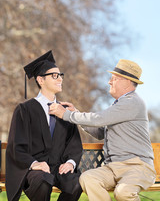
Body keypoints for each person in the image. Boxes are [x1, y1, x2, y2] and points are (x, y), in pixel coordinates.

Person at [49, 59, 156, 201]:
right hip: (113, 168)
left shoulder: (132, 102)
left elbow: (99, 119)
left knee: (123, 192)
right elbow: (100, 132)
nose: (109, 82)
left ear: (127, 82)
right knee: (88, 178)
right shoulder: (118, 105)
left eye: (114, 79)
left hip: (137, 166)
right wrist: (76, 112)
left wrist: (66, 114)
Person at [5, 50, 83, 201]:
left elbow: (74, 145)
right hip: (35, 170)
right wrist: (34, 164)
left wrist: (70, 163)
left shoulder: (65, 111)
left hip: (59, 168)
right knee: (42, 181)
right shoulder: (25, 109)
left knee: (77, 183)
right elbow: (17, 147)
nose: (60, 79)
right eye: (54, 75)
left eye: (60, 75)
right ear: (40, 80)